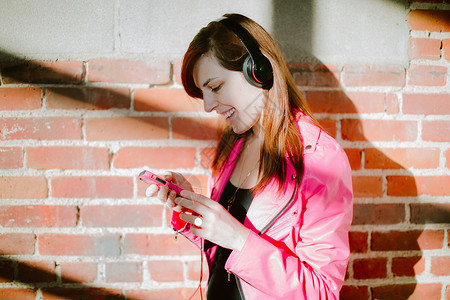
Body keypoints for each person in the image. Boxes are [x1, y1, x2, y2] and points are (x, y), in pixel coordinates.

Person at [145, 13, 353, 300]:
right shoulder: (233, 145)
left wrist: (240, 239)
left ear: (258, 70)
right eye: (203, 93)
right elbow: (223, 255)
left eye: (215, 87)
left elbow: (323, 291)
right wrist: (193, 209)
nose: (207, 106)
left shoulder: (319, 158)